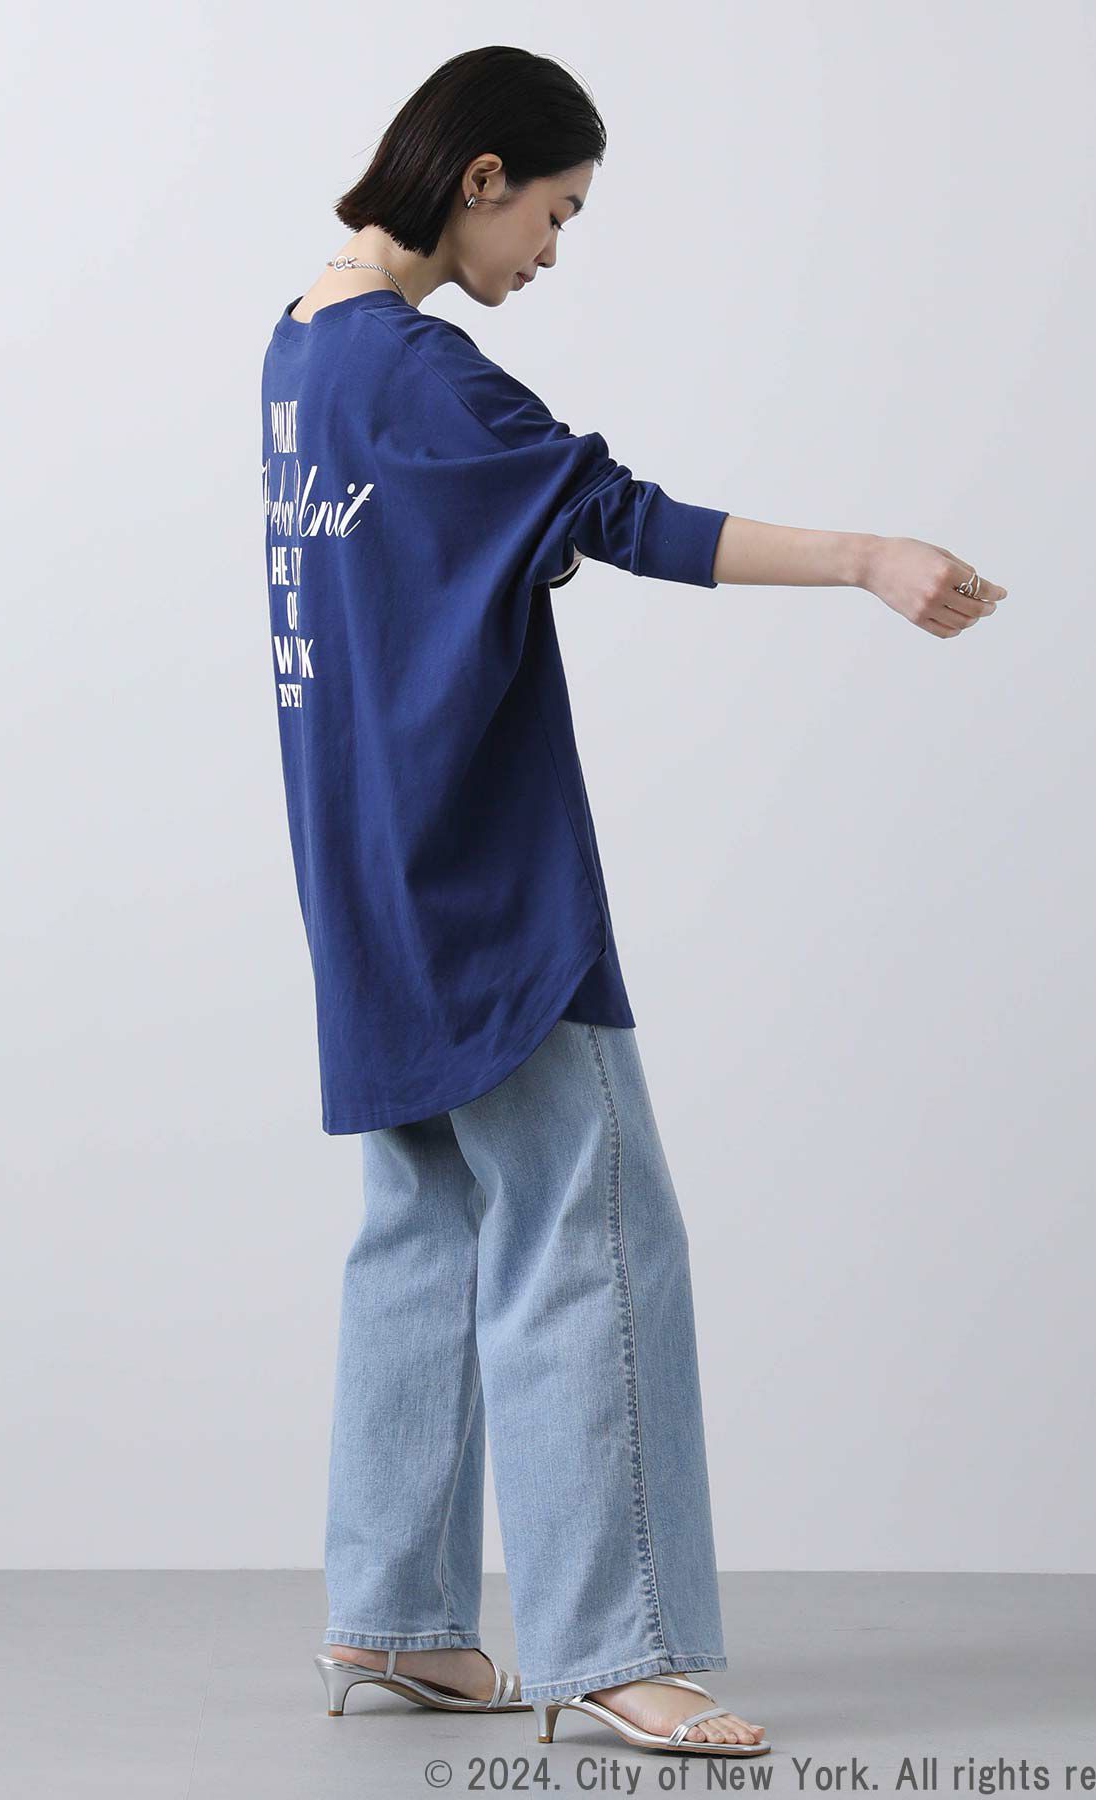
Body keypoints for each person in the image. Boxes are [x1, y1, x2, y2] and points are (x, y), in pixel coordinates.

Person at [261, 46, 1005, 1758]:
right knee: (595, 1235)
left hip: (366, 878)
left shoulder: (298, 352)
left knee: (426, 1225)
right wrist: (867, 558)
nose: (551, 252)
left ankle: (395, 1614)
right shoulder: (423, 374)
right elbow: (618, 516)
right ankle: (619, 1644)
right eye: (557, 212)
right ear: (481, 176)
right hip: (486, 890)